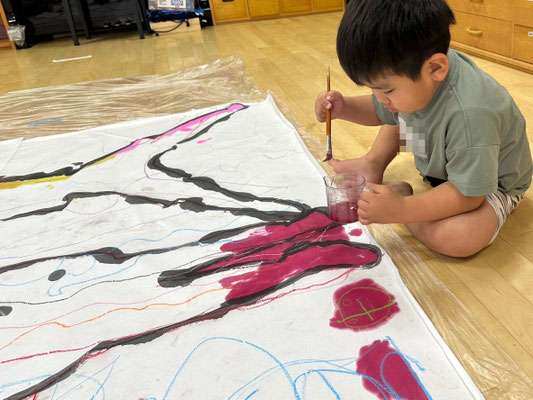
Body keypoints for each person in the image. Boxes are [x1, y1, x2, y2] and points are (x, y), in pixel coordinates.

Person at [315, 0, 532, 257]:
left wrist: (401, 210)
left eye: (386, 89)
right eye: (372, 89)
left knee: (458, 238)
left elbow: (469, 196)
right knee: (398, 110)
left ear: (436, 68)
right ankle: (373, 163)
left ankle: (402, 199)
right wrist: (344, 107)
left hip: (490, 184)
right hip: (447, 159)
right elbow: (380, 109)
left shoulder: (472, 115)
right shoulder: (421, 71)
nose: (379, 98)